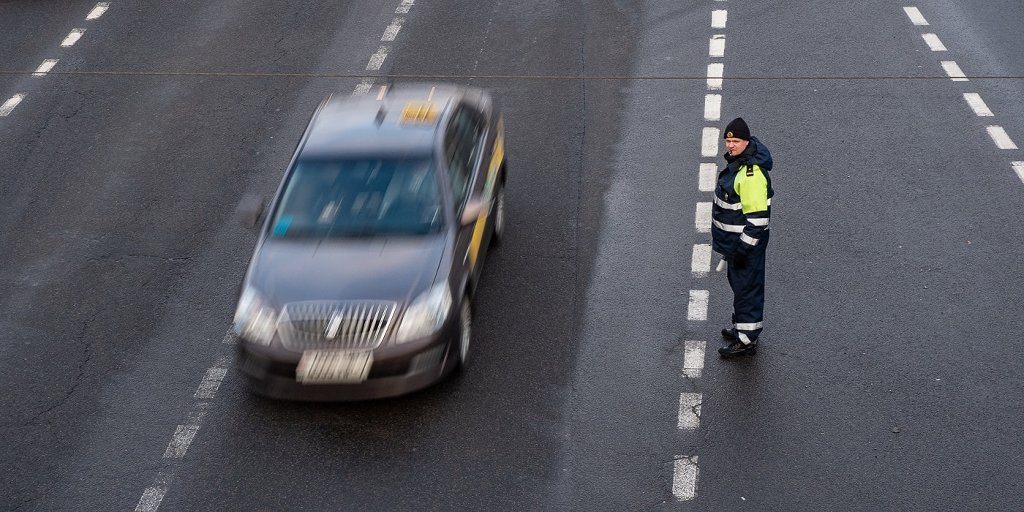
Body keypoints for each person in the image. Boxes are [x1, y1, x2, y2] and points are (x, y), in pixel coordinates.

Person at [712, 117, 773, 358]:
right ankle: (741, 329)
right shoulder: (738, 165)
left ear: (747, 142)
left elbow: (758, 221)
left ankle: (746, 341)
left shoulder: (750, 175)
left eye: (735, 141)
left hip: (745, 247)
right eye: (728, 141)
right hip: (736, 245)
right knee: (740, 287)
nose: (730, 145)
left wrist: (742, 250)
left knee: (748, 290)